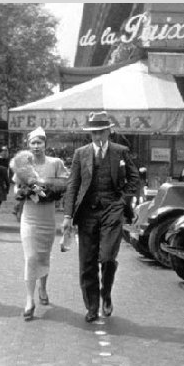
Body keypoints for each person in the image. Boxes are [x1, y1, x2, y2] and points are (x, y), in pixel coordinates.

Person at [62, 111, 139, 322]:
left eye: (101, 132)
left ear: (109, 131)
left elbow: (134, 179)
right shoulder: (81, 154)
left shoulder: (120, 152)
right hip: (87, 212)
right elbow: (73, 185)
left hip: (112, 210)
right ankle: (92, 306)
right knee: (87, 262)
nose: (97, 137)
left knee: (106, 257)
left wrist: (123, 200)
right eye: (93, 133)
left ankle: (106, 292)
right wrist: (68, 215)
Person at [13, 127, 69, 321]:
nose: (36, 146)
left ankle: (43, 287)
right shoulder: (22, 164)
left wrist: (48, 188)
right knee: (31, 257)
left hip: (47, 217)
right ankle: (29, 300)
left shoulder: (55, 163)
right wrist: (24, 191)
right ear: (28, 145)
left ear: (45, 144)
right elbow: (17, 187)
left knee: (43, 256)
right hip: (29, 218)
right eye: (33, 143)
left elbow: (64, 184)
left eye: (40, 142)